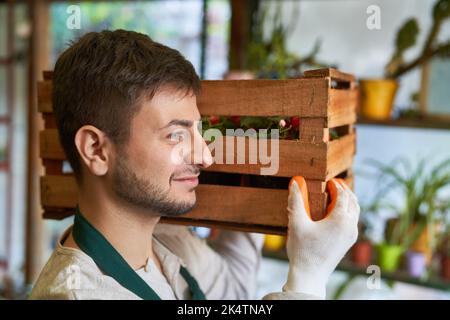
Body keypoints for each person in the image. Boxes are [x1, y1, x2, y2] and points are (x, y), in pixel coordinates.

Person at [30, 30, 359, 300]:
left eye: (199, 131)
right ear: (96, 150)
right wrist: (308, 277)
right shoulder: (80, 294)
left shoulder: (166, 247)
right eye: (175, 134)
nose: (205, 157)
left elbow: (234, 296)